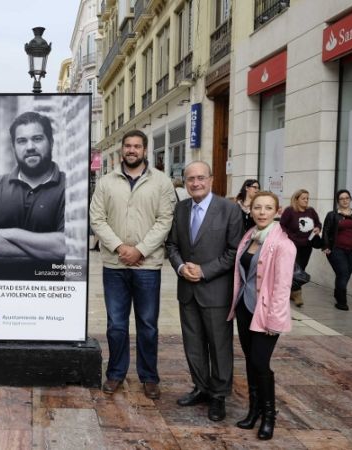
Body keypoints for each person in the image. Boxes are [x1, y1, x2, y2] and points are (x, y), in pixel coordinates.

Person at [89, 129, 176, 399]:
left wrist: (139, 250)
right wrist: (119, 247)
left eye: (137, 146)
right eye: (128, 146)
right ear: (122, 150)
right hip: (114, 266)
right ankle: (115, 373)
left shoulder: (161, 182)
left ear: (144, 150)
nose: (132, 150)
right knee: (116, 324)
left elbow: (165, 221)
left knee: (147, 324)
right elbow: (97, 219)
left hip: (147, 266)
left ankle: (149, 377)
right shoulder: (106, 182)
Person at [166, 161, 243, 422]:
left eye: (200, 178)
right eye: (190, 179)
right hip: (187, 289)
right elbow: (172, 245)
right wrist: (180, 268)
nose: (195, 183)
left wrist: (204, 270)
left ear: (211, 179)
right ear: (185, 182)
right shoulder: (181, 208)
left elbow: (234, 251)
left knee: (219, 346)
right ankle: (201, 387)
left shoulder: (229, 210)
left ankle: (218, 395)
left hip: (216, 291)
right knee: (193, 344)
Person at [228, 191, 295, 440]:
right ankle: (253, 411)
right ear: (250, 210)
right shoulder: (250, 237)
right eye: (257, 207)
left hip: (266, 313)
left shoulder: (283, 244)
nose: (262, 212)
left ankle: (269, 416)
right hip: (246, 309)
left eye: (268, 208)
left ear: (276, 212)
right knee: (249, 360)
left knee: (260, 363)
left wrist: (274, 321)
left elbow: (282, 287)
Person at [0, 111, 66, 280]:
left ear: (51, 142)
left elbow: (66, 245)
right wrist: (44, 252)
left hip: (47, 295)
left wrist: (10, 233)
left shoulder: (68, 187)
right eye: (22, 141)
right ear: (13, 147)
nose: (29, 147)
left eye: (37, 138)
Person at [321, 189, 352, 311]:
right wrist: (326, 246)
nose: (345, 200)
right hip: (336, 250)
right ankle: (342, 302)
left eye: (347, 198)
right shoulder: (332, 215)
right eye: (342, 198)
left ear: (350, 199)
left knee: (344, 275)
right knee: (343, 273)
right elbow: (326, 231)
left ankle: (338, 293)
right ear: (338, 201)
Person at [279, 189, 321, 307]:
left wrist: (318, 228)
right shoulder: (289, 211)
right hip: (292, 245)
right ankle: (297, 294)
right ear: (296, 199)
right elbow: (282, 225)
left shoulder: (311, 211)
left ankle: (292, 291)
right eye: (303, 198)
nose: (306, 200)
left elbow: (318, 223)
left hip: (307, 246)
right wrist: (291, 237)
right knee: (292, 270)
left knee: (300, 269)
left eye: (307, 198)